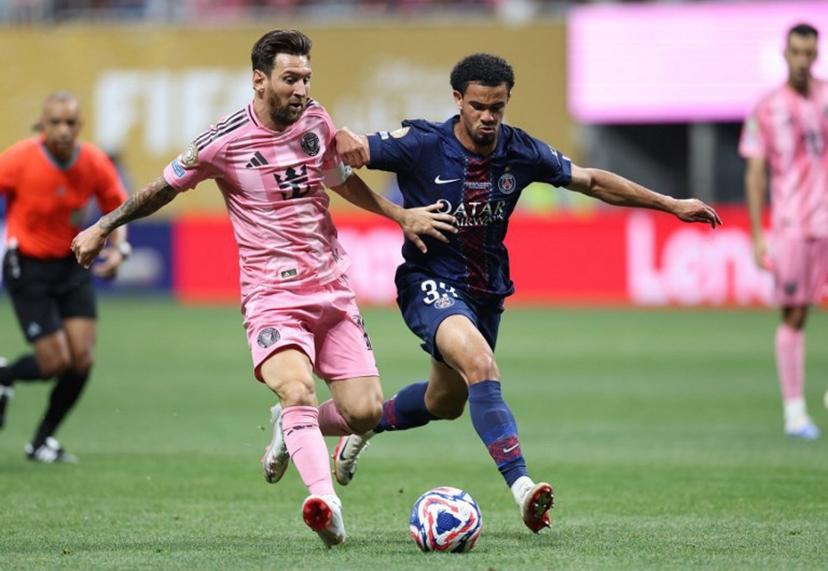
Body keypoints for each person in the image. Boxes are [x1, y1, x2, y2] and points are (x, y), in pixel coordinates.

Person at [71, 29, 454, 548]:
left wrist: (398, 215)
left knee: (364, 412)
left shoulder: (316, 120)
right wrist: (103, 226)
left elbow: (339, 179)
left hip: (333, 288)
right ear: (259, 80)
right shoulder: (221, 141)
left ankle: (290, 429)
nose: (301, 89)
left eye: (307, 78)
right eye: (290, 79)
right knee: (297, 388)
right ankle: (325, 501)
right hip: (272, 295)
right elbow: (161, 188)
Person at [332, 53, 722, 533]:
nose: (488, 117)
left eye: (498, 106)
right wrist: (349, 141)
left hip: (486, 292)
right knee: (480, 365)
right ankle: (522, 489)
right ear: (458, 100)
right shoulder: (422, 144)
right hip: (428, 282)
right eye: (478, 105)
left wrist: (671, 204)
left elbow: (593, 181)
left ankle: (363, 424)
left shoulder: (521, 151)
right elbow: (344, 154)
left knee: (445, 401)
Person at [0, 92, 130, 462]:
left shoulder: (93, 161)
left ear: (80, 126)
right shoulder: (18, 159)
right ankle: (5, 375)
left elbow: (116, 211)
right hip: (28, 265)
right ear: (43, 125)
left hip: (72, 263)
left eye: (69, 123)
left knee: (82, 360)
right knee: (54, 363)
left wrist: (120, 249)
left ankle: (41, 441)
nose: (62, 130)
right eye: (54, 122)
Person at [740, 23, 828, 440]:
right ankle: (795, 411)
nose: (802, 60)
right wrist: (759, 234)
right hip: (793, 224)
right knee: (794, 313)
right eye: (796, 51)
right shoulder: (767, 108)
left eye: (809, 52)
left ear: (816, 54)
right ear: (785, 52)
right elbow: (756, 174)